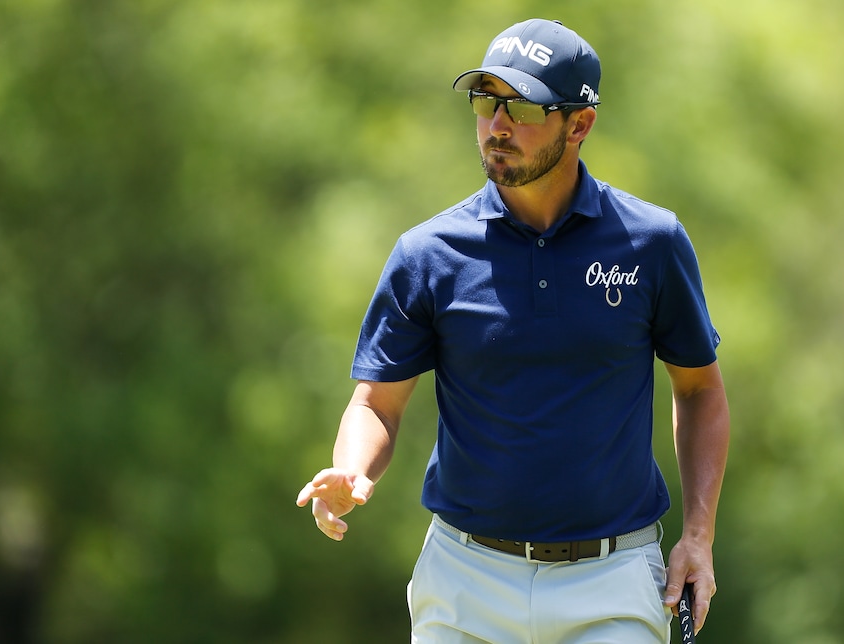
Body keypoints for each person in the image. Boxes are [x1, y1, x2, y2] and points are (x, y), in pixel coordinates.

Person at [296, 18, 730, 644]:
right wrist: (351, 469)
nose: (497, 125)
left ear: (578, 123)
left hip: (612, 583)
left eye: (522, 106)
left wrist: (698, 536)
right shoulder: (429, 254)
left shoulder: (652, 244)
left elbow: (700, 390)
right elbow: (377, 404)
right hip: (465, 581)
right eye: (485, 101)